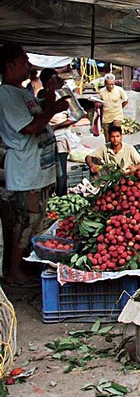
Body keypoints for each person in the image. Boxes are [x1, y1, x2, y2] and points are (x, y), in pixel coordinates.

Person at [0, 44, 69, 286]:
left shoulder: (23, 93)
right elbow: (30, 127)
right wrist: (54, 110)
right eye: (23, 60)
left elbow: (41, 111)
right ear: (9, 64)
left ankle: (22, 265)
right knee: (26, 220)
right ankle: (13, 271)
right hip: (25, 171)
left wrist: (50, 92)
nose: (28, 65)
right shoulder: (6, 95)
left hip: (38, 170)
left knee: (35, 218)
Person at [38, 69, 78, 196]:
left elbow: (77, 115)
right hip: (43, 141)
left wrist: (56, 127)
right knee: (47, 172)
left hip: (61, 138)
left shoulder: (64, 93)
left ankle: (61, 197)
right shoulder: (41, 94)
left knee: (60, 173)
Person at [97, 73, 128, 139]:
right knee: (108, 137)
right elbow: (99, 103)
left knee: (116, 134)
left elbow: (126, 100)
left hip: (117, 115)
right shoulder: (101, 91)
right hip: (106, 116)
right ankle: (109, 148)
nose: (111, 86)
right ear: (105, 83)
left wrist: (120, 108)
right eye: (109, 84)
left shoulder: (119, 90)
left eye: (112, 84)